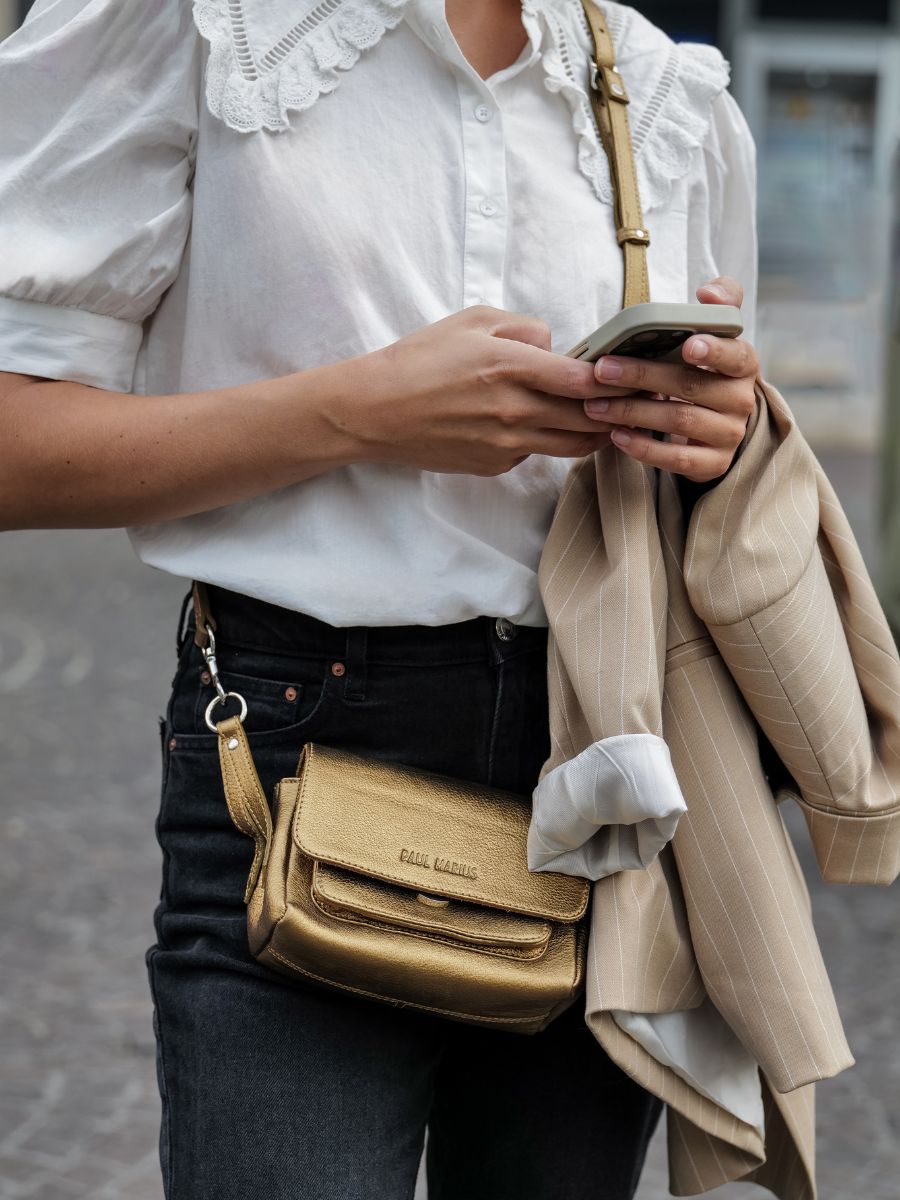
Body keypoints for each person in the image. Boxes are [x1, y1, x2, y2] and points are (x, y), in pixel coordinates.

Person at [0, 0, 760, 1196]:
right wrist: (358, 413)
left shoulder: (660, 89)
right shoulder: (207, 29)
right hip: (295, 751)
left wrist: (714, 425)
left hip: (601, 768)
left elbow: (709, 469)